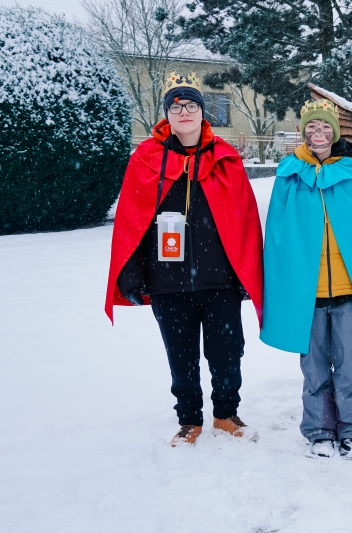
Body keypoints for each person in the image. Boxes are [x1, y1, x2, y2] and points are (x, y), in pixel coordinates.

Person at [105, 73, 264, 447]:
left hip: (220, 280)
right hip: (168, 282)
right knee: (181, 357)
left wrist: (245, 273)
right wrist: (131, 272)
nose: (184, 112)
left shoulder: (225, 159)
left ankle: (226, 414)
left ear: (202, 111)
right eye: (176, 107)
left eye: (191, 105)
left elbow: (244, 220)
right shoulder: (145, 160)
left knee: (227, 354)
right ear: (167, 115)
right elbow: (132, 222)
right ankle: (189, 420)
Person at [260, 99, 352, 460]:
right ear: (303, 132)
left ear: (335, 131)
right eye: (312, 127)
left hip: (347, 290)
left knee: (350, 364)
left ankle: (351, 428)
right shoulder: (290, 174)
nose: (319, 133)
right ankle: (318, 429)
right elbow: (279, 233)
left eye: (325, 127)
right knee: (314, 366)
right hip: (308, 291)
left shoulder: (351, 172)